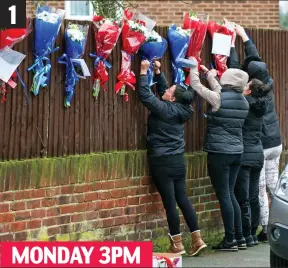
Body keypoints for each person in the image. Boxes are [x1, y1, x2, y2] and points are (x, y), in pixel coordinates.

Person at [138, 59, 207, 256]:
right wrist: (158, 73)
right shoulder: (185, 109)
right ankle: (197, 239)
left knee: (170, 203)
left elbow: (146, 96)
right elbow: (164, 94)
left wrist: (143, 72)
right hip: (178, 161)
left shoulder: (165, 109)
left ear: (173, 98)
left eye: (170, 90)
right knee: (183, 198)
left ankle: (177, 244)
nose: (166, 90)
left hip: (162, 162)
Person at [189, 60, 250, 251]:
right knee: (230, 193)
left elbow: (195, 86)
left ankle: (230, 240)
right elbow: (220, 90)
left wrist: (193, 68)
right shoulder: (244, 102)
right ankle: (240, 238)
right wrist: (209, 74)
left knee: (224, 195)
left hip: (220, 153)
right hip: (237, 153)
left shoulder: (219, 98)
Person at [234, 24, 282, 243]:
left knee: (260, 189)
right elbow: (256, 61)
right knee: (275, 187)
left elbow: (236, 69)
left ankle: (265, 229)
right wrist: (244, 36)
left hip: (261, 146)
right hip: (277, 143)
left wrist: (232, 47)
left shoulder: (249, 97)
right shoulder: (268, 84)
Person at [229, 31, 268, 247]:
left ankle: (244, 234)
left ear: (250, 90)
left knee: (242, 196)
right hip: (258, 154)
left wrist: (233, 46)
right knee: (253, 195)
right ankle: (252, 232)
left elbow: (235, 73)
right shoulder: (262, 103)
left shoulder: (245, 104)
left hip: (244, 154)